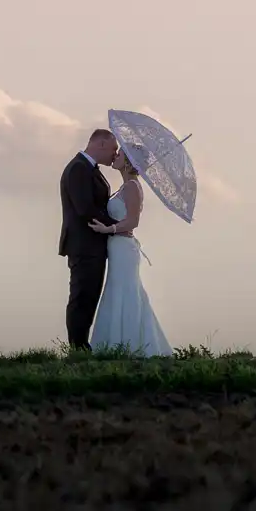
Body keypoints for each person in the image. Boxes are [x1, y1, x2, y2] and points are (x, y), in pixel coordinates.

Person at [85, 142, 173, 357]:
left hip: (124, 247)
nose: (115, 155)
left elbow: (133, 221)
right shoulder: (125, 186)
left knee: (125, 292)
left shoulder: (133, 186)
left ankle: (130, 346)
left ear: (128, 162)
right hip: (117, 247)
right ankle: (117, 346)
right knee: (119, 290)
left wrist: (109, 229)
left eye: (120, 153)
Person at [58, 129, 128, 352]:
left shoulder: (91, 170)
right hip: (84, 244)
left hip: (93, 245)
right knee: (81, 296)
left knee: (89, 296)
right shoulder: (79, 168)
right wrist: (114, 227)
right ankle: (78, 347)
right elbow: (85, 208)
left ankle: (81, 345)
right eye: (113, 149)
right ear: (101, 144)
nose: (115, 154)